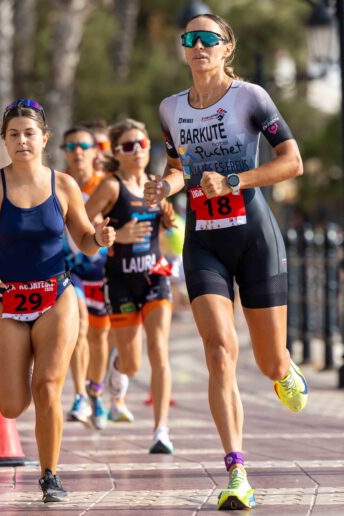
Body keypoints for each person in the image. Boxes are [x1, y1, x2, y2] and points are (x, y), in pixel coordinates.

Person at [143, 14, 308, 510]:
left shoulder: (250, 97)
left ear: (226, 47)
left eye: (209, 39)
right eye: (190, 39)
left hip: (254, 237)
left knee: (268, 361)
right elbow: (178, 168)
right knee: (218, 350)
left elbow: (292, 162)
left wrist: (234, 181)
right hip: (204, 244)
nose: (199, 46)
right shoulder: (171, 108)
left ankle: (284, 369)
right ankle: (237, 471)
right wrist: (164, 185)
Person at [0, 99, 115, 503]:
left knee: (47, 387)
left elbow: (84, 240)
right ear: (4, 141)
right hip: (7, 300)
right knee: (10, 405)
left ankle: (50, 475)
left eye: (29, 133)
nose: (21, 140)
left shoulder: (64, 185)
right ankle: (23, 361)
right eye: (13, 134)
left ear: (44, 139)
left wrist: (99, 238)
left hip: (57, 296)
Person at [85, 118, 175, 454]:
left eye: (142, 144)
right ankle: (117, 371)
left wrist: (169, 221)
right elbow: (82, 218)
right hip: (120, 281)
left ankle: (161, 430)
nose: (137, 150)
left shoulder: (157, 186)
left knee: (159, 349)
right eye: (128, 146)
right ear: (117, 153)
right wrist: (112, 234)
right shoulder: (111, 186)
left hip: (155, 277)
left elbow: (169, 229)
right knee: (133, 363)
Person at [61, 125, 115, 429]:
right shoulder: (58, 184)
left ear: (95, 152)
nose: (77, 153)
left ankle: (96, 390)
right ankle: (80, 395)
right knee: (79, 327)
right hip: (70, 269)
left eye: (83, 146)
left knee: (98, 336)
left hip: (102, 270)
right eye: (70, 147)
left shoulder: (106, 185)